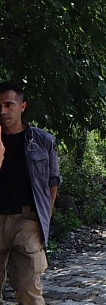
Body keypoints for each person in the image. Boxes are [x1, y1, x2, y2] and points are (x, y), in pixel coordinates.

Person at [0, 81, 61, 304]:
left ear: (22, 106)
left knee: (28, 289)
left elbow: (52, 181)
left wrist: (47, 215)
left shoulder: (42, 140)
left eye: (9, 105)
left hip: (26, 220)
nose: (3, 111)